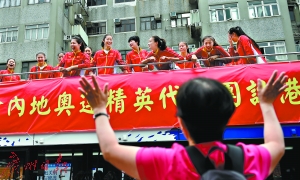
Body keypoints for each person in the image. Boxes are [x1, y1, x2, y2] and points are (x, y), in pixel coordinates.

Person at [78, 70, 287, 180]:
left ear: (181, 123)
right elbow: (276, 145)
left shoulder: (168, 162)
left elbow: (110, 150)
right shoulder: (251, 159)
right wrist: (267, 105)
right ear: (228, 118)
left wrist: (99, 109)